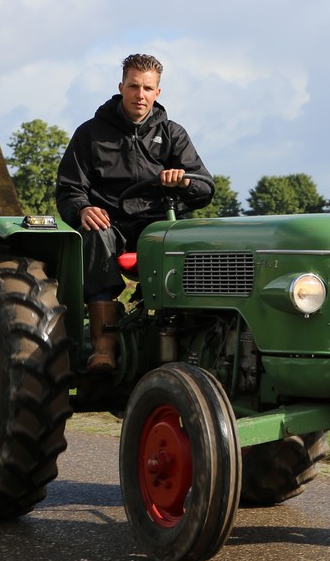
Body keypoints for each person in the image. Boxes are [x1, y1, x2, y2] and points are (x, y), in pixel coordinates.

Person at [55, 53, 213, 373]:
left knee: (195, 241)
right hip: (110, 223)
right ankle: (103, 347)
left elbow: (204, 187)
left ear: (158, 92)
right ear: (121, 87)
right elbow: (69, 189)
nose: (140, 95)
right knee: (96, 233)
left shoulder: (172, 134)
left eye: (147, 88)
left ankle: (193, 338)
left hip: (156, 224)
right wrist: (83, 208)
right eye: (133, 86)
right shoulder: (91, 134)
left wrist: (183, 180)